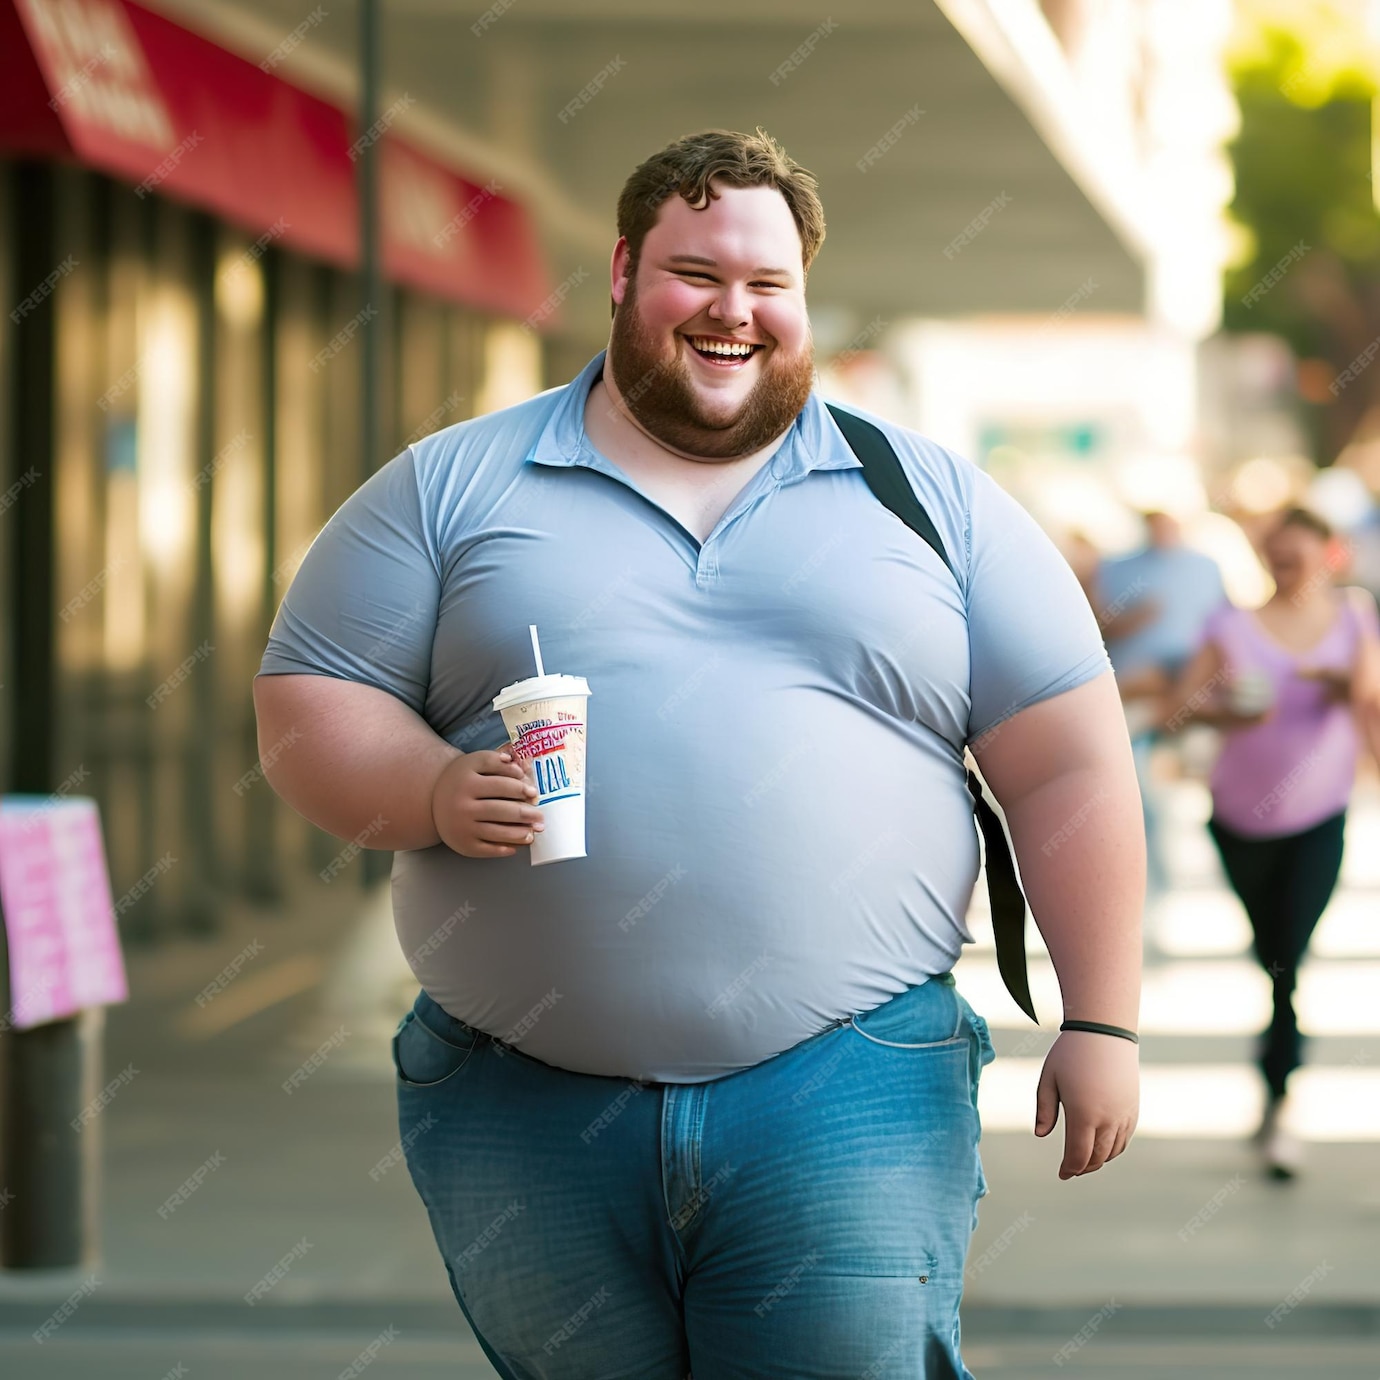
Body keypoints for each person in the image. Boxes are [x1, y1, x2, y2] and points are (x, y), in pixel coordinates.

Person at [253, 129, 1143, 1379]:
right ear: (621, 271)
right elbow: (311, 697)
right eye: (696, 274)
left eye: (768, 285)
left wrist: (1104, 1019)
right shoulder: (451, 485)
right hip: (521, 1095)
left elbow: (1069, 763)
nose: (735, 312)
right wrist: (432, 790)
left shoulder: (932, 502)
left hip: (851, 1078)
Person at [1159, 507, 1380, 1179]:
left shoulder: (1354, 619)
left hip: (1321, 814)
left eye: (1299, 558)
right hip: (1238, 817)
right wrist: (1230, 710)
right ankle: (1275, 1087)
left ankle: (1281, 1104)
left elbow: (1372, 703)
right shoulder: (1230, 625)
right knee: (1271, 955)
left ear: (1329, 556)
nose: (1285, 570)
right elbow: (1175, 711)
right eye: (1275, 558)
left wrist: (1347, 687)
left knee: (1290, 956)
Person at [1096, 510, 1227, 897]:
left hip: (1191, 694)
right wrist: (1129, 621)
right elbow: (1092, 627)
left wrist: (1188, 688)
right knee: (1135, 793)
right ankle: (1148, 886)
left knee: (1186, 790)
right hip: (1133, 696)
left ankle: (1189, 877)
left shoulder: (1206, 567)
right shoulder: (1114, 567)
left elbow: (1222, 631)